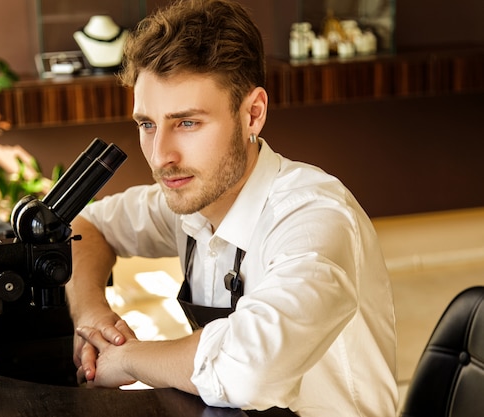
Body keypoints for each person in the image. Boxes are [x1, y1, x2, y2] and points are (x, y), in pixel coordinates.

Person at [66, 0, 398, 415]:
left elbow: (249, 369)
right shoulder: (189, 200)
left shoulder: (315, 219)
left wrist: (129, 357)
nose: (160, 155)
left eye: (187, 123)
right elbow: (86, 225)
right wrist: (92, 314)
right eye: (147, 124)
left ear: (253, 114)